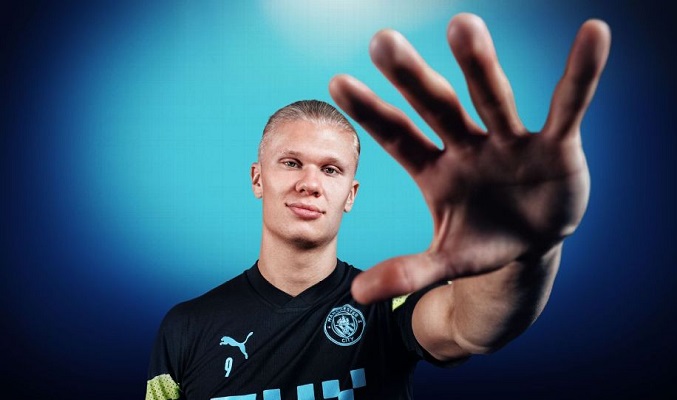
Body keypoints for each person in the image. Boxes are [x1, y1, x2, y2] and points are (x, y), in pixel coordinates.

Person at [146, 13, 610, 400]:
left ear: (350, 195)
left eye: (331, 170)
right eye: (291, 162)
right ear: (257, 179)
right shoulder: (185, 328)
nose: (310, 183)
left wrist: (526, 253)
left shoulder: (387, 307)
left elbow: (470, 326)